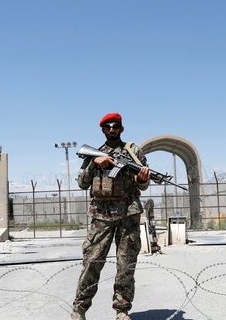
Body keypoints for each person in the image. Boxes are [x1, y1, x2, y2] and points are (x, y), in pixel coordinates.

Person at [71, 113, 151, 320]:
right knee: (92, 262)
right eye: (108, 127)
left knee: (126, 265)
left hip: (128, 214)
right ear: (103, 130)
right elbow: (82, 183)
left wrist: (143, 179)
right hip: (101, 215)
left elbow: (141, 184)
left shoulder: (134, 153)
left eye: (116, 126)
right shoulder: (94, 154)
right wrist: (95, 163)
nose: (112, 129)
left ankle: (122, 310)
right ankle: (79, 309)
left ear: (121, 129)